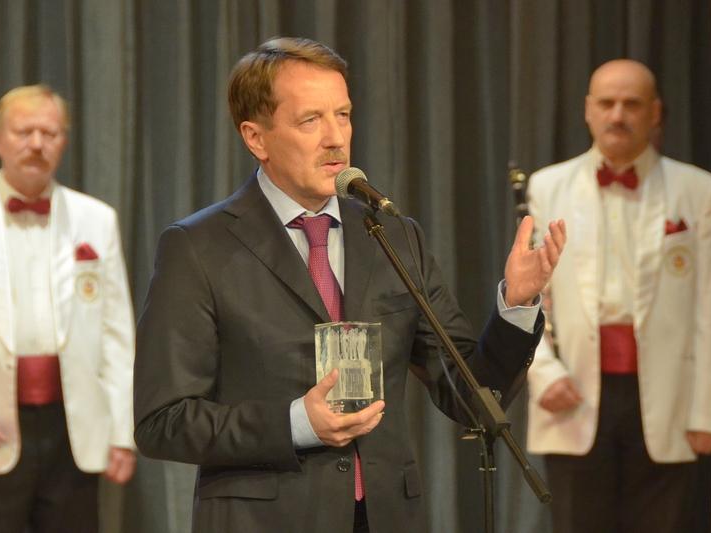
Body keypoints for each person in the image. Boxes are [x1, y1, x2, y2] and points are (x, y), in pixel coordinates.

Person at [133, 37, 566, 533]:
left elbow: (471, 397)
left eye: (343, 115)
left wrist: (516, 305)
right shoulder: (198, 246)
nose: (335, 138)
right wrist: (296, 422)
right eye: (310, 120)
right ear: (256, 138)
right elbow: (163, 421)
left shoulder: (392, 236)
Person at [526, 59, 711, 533]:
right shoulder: (548, 186)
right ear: (588, 110)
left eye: (631, 104)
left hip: (668, 395)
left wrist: (709, 411)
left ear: (655, 112)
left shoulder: (698, 191)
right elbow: (529, 293)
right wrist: (543, 372)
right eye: (607, 103)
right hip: (574, 391)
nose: (617, 115)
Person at [0, 85, 136, 533]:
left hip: (72, 428)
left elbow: (117, 334)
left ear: (64, 142)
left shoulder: (96, 218)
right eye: (24, 132)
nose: (37, 144)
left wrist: (122, 432)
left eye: (50, 133)